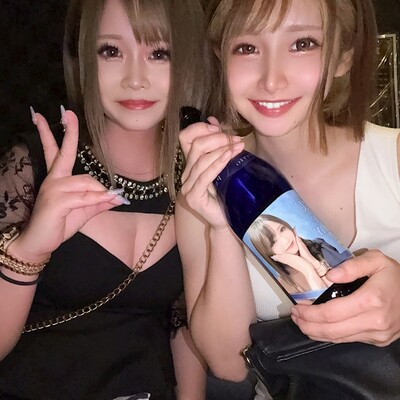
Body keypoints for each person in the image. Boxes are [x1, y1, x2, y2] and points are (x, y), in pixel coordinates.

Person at [176, 0, 400, 398]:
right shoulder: (202, 190)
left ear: (343, 57)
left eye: (303, 44)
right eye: (247, 48)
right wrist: (222, 226)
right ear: (222, 58)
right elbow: (228, 364)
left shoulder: (393, 158)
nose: (272, 80)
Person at [0, 0, 209, 399]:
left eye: (159, 54)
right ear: (85, 59)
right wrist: (28, 252)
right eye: (111, 51)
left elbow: (185, 329)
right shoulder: (32, 167)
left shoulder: (197, 177)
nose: (135, 79)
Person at [247, 214, 335, 296]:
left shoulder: (320, 246)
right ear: (269, 253)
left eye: (282, 229)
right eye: (273, 242)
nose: (285, 240)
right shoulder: (284, 285)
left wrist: (312, 261)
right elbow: (328, 301)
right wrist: (307, 269)